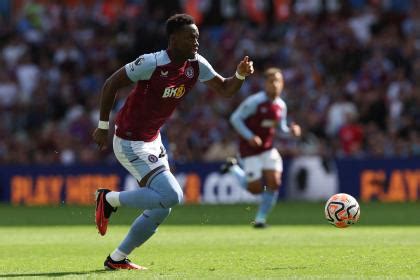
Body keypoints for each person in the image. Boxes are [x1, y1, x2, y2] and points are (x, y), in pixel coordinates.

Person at [92, 13, 254, 270]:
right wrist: (103, 126)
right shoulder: (151, 63)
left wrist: (240, 75)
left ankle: (117, 258)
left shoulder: (196, 65)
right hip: (129, 140)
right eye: (191, 37)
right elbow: (111, 84)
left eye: (197, 37)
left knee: (162, 207)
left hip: (152, 139)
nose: (196, 42)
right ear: (174, 39)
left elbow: (225, 89)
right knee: (172, 195)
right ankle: (109, 199)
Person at [220, 67, 301, 228]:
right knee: (255, 189)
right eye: (271, 81)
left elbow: (280, 129)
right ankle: (233, 168)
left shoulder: (281, 106)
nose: (275, 85)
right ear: (265, 84)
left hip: (268, 149)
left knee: (275, 182)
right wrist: (250, 136)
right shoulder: (255, 102)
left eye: (278, 81)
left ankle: (260, 219)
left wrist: (291, 131)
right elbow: (235, 118)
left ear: (283, 84)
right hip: (249, 151)